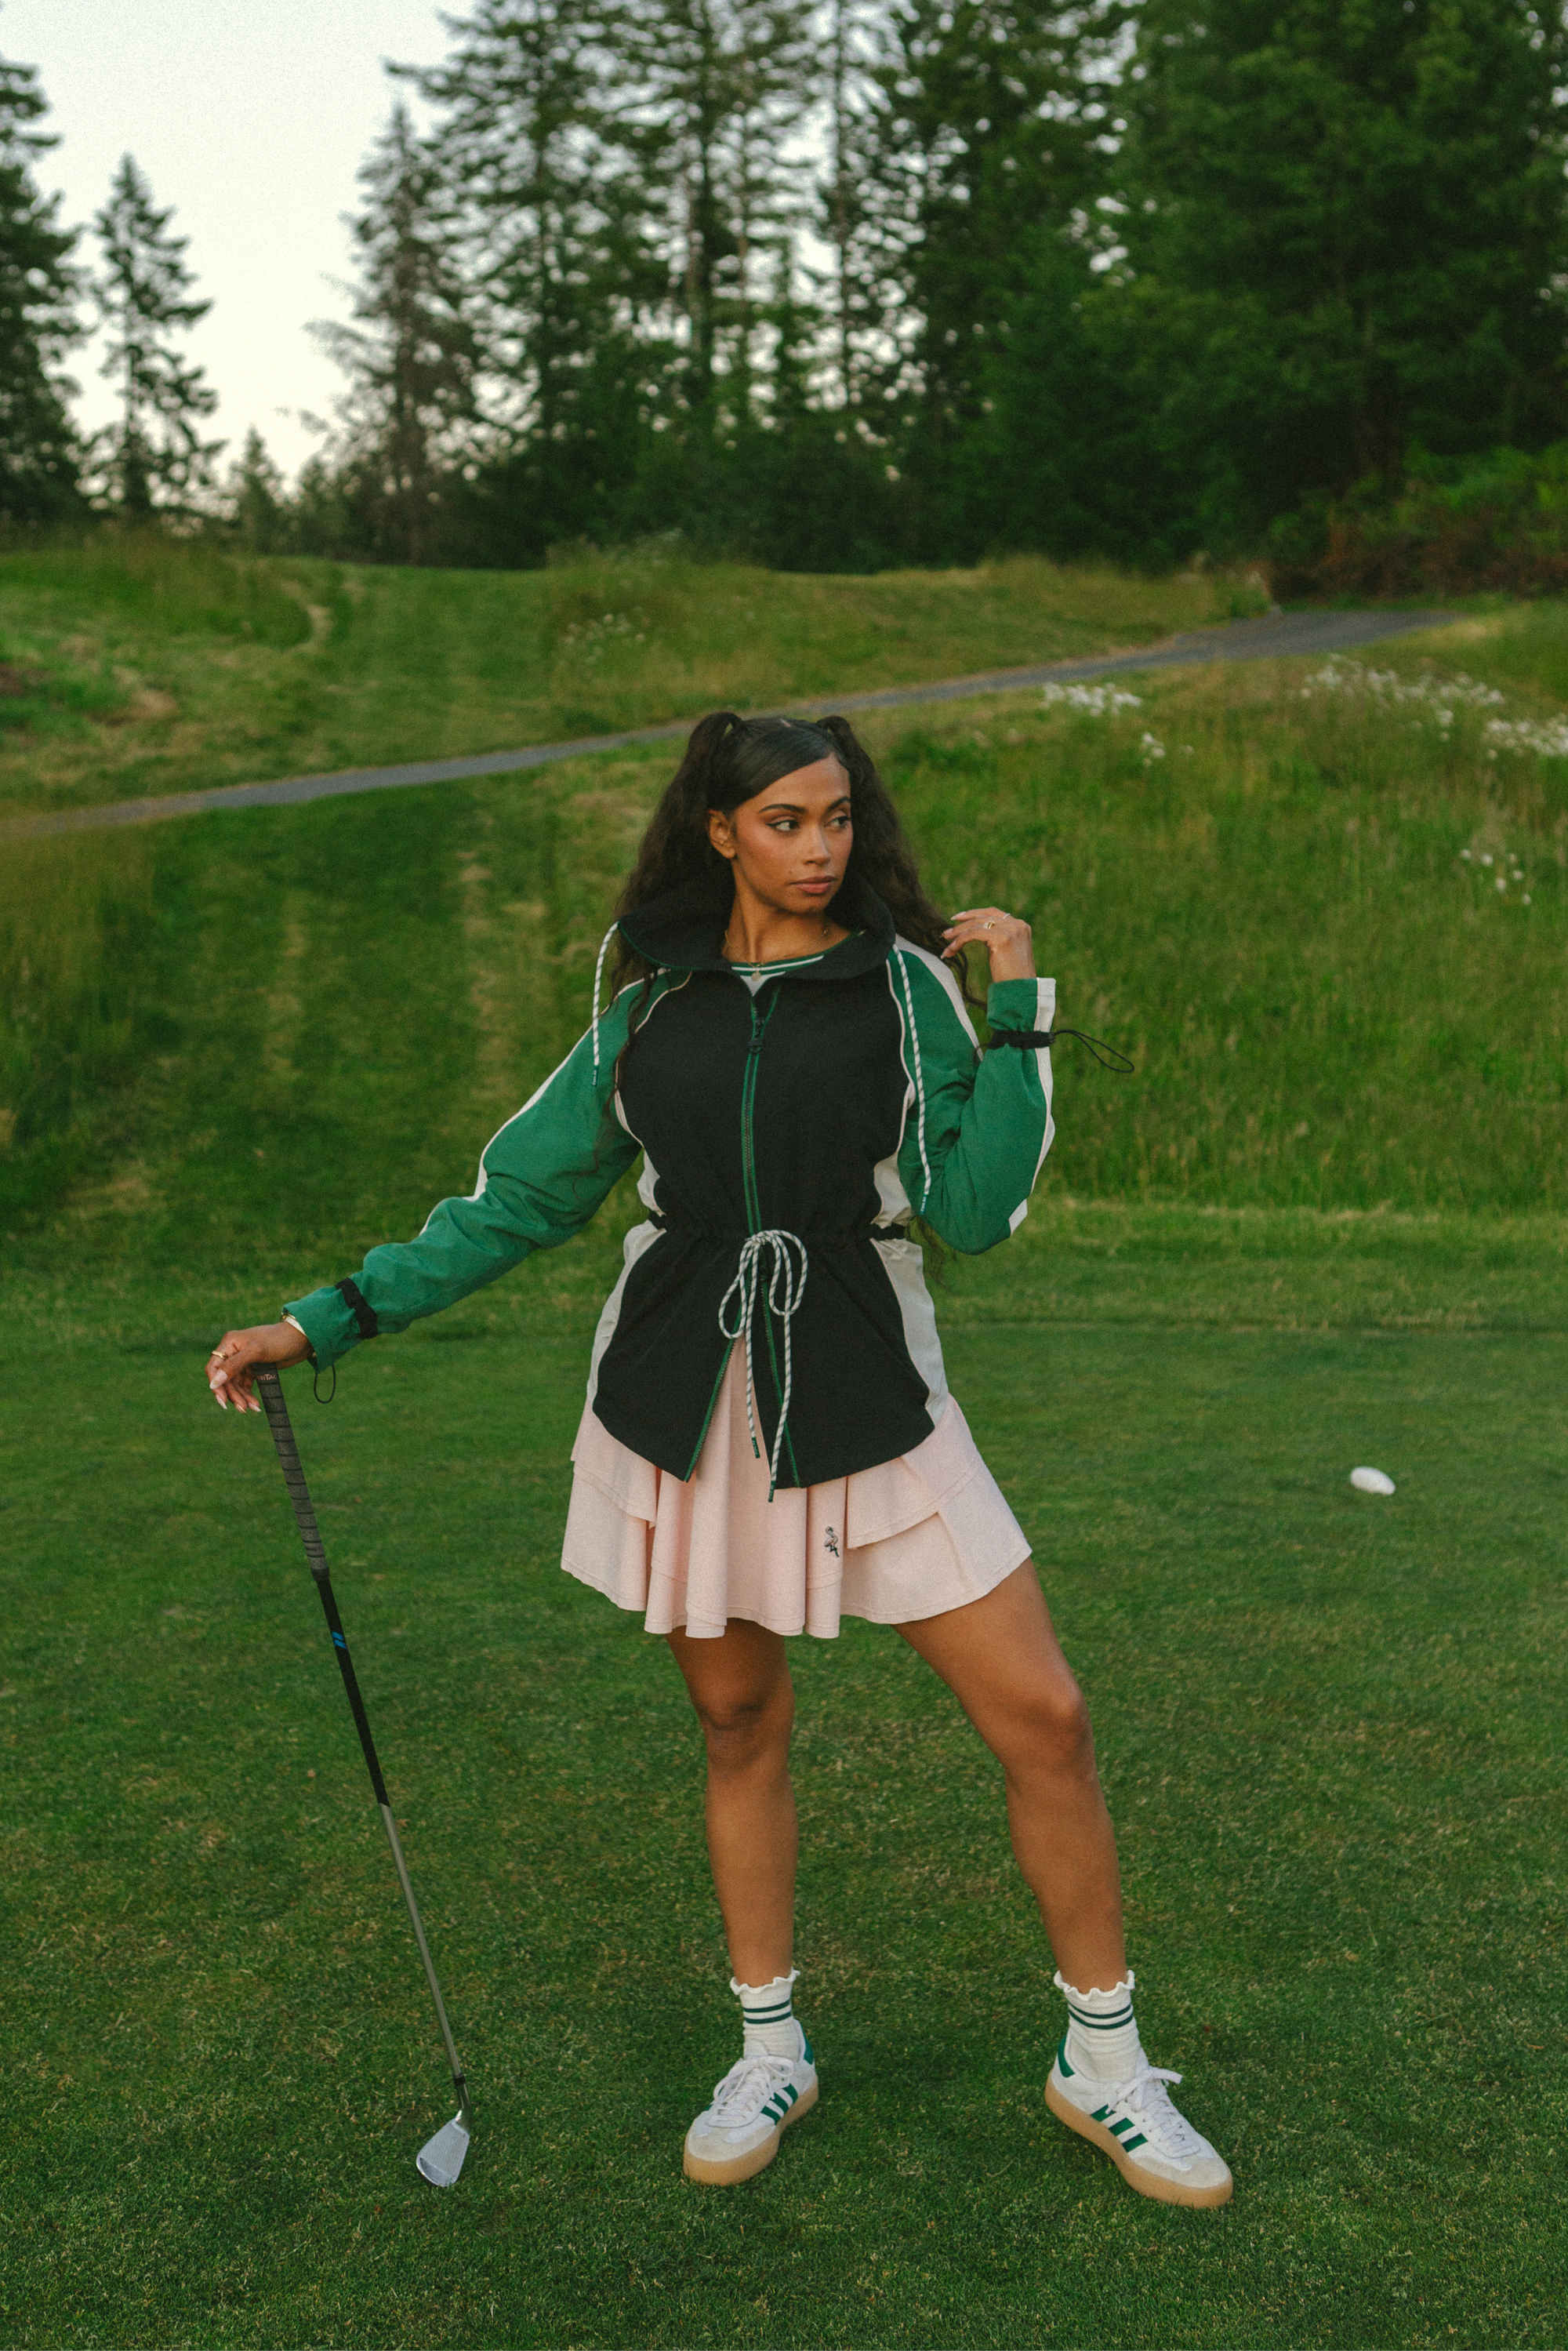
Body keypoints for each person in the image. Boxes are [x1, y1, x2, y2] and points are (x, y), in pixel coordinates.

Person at [205, 710, 1232, 2210]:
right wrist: (326, 1318)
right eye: (786, 822)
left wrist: (1013, 1008)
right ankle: (770, 2043)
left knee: (1045, 1715)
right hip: (682, 1389)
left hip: (871, 1384)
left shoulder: (902, 987)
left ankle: (1107, 2062)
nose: (819, 849)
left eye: (836, 820)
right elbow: (517, 1198)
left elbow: (979, 1207)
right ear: (721, 831)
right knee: (739, 1719)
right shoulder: (647, 1002)